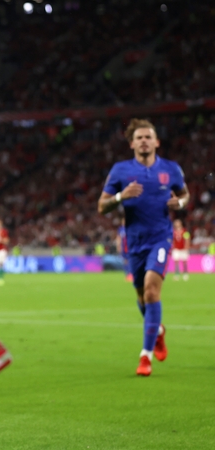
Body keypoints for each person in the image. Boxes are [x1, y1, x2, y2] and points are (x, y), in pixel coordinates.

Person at [98, 118, 189, 377]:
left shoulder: (171, 169)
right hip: (135, 241)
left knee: (151, 291)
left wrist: (180, 204)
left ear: (157, 141)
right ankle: (157, 331)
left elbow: (185, 194)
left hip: (161, 238)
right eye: (139, 138)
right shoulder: (120, 171)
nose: (144, 141)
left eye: (148, 137)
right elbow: (102, 206)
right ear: (132, 144)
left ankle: (145, 356)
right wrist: (120, 196)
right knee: (141, 297)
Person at [115, 218, 133, 282]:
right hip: (124, 247)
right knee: (125, 261)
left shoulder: (130, 228)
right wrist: (118, 246)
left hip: (130, 247)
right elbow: (119, 238)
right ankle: (127, 274)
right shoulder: (121, 229)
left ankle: (131, 274)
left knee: (130, 260)